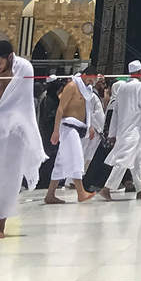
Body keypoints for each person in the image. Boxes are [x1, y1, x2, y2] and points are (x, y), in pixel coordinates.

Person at [0, 39, 45, 237]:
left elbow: (20, 101)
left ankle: (1, 223)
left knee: (10, 176)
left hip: (16, 131)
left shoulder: (24, 68)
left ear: (10, 57)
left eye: (0, 63)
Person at [101, 61, 141, 201]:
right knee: (123, 161)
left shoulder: (122, 88)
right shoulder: (140, 86)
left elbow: (115, 112)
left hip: (126, 130)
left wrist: (112, 134)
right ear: (140, 72)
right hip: (133, 132)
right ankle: (106, 188)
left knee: (137, 161)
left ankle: (140, 189)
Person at [44, 67, 98, 205]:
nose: (93, 80)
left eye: (95, 78)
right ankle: (81, 193)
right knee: (77, 157)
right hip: (67, 128)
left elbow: (85, 111)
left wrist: (90, 126)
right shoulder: (72, 86)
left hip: (77, 127)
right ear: (85, 75)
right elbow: (60, 108)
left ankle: (50, 195)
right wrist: (56, 131)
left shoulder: (87, 91)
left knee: (60, 163)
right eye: (91, 77)